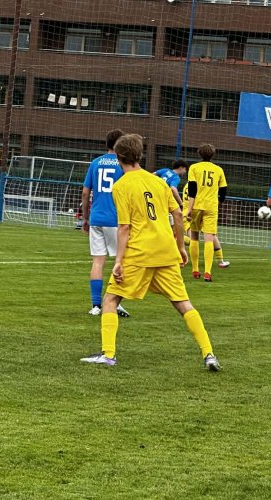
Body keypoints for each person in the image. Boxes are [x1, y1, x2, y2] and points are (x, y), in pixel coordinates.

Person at [80, 133, 221, 371]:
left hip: (139, 252)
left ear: (120, 157)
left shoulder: (121, 186)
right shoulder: (158, 181)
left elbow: (124, 227)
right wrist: (179, 246)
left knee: (111, 299)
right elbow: (177, 214)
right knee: (184, 304)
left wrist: (119, 261)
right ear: (139, 155)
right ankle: (209, 354)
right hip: (165, 250)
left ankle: (108, 354)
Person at [79, 129, 130, 318]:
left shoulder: (95, 162)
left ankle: (96, 305)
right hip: (116, 219)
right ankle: (114, 303)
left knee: (98, 261)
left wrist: (85, 217)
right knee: (122, 261)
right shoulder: (122, 165)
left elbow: (85, 193)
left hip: (96, 218)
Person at [185, 144, 228, 282]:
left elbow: (192, 190)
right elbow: (223, 193)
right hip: (211, 207)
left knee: (194, 237)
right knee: (209, 238)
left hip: (197, 205)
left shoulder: (194, 168)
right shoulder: (218, 170)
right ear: (213, 154)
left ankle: (195, 269)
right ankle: (208, 272)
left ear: (199, 154)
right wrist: (218, 204)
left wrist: (189, 209)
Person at [182, 182, 230, 268]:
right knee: (210, 235)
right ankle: (221, 261)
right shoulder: (198, 185)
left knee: (193, 239)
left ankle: (178, 241)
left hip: (187, 214)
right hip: (197, 211)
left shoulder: (187, 185)